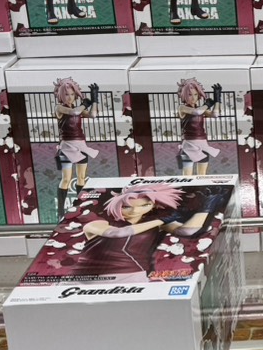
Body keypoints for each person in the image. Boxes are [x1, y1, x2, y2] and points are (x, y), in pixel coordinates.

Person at [29, 183, 213, 279]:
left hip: (134, 275)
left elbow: (187, 231)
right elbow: (116, 233)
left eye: (144, 205)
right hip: (87, 277)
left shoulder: (153, 222)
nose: (134, 210)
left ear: (153, 205)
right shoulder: (96, 220)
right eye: (127, 206)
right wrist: (160, 220)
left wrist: (206, 208)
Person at [51, 77, 99, 217]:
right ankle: (61, 212)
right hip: (66, 146)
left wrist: (95, 100)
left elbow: (93, 115)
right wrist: (84, 104)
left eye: (72, 94)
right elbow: (74, 113)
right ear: (61, 95)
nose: (70, 97)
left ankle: (81, 207)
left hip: (81, 145)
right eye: (67, 94)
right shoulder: (59, 108)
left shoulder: (78, 108)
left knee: (81, 177)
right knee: (66, 179)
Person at [175, 77, 221, 176]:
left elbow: (215, 114)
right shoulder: (182, 108)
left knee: (202, 175)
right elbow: (196, 112)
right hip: (189, 145)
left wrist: (217, 99)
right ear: (184, 95)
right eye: (190, 94)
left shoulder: (201, 109)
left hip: (203, 144)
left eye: (195, 94)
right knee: (187, 176)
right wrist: (207, 105)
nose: (193, 97)